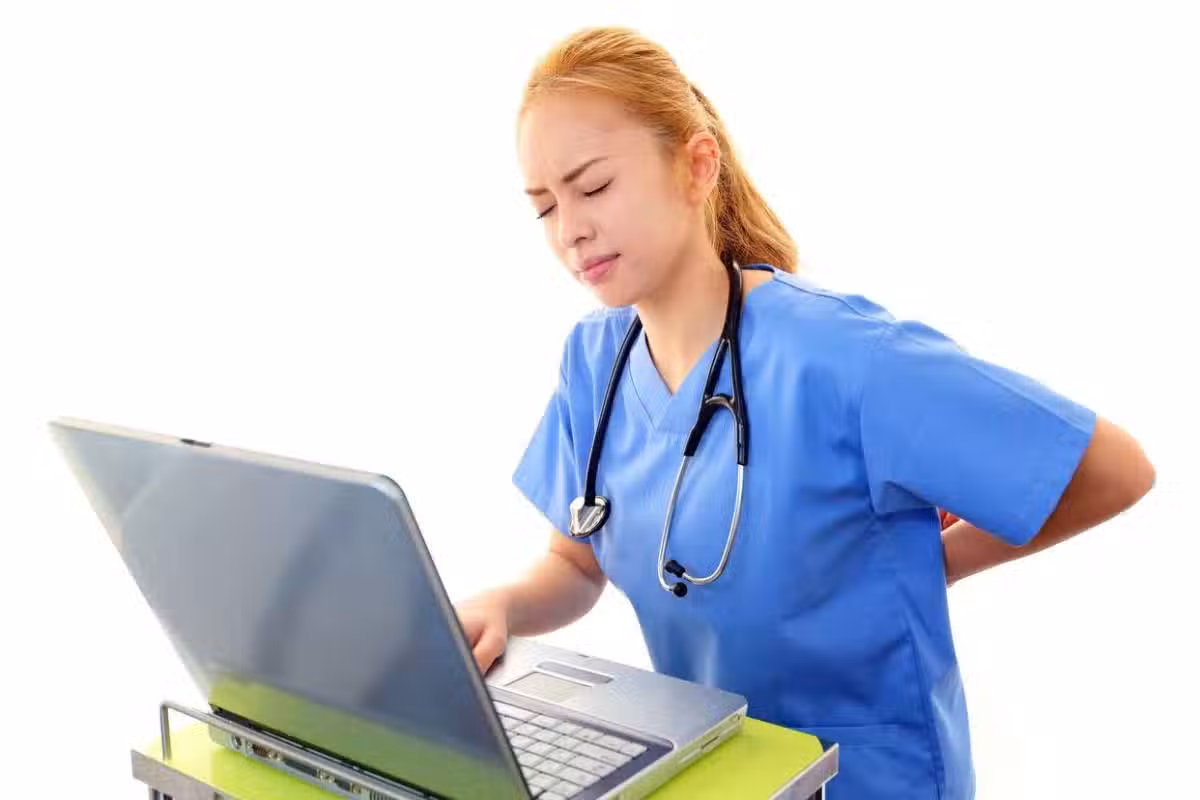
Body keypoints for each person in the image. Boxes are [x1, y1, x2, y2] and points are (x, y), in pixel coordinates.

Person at [454, 25, 1155, 799]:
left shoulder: (845, 359)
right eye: (544, 207)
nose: (569, 229)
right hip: (721, 778)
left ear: (696, 166)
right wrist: (501, 606)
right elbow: (576, 561)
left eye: (592, 188)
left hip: (868, 781)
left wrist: (938, 564)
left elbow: (1113, 470)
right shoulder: (595, 363)